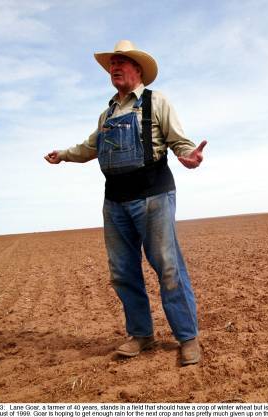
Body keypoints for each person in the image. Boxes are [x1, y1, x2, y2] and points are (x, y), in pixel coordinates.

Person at [44, 40, 205, 366]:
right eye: (111, 64)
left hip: (153, 196)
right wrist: (63, 156)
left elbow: (179, 140)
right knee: (123, 272)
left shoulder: (156, 101)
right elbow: (90, 147)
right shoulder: (107, 113)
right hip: (115, 201)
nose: (114, 68)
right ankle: (141, 334)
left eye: (121, 62)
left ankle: (187, 338)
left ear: (138, 69)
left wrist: (188, 156)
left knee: (167, 266)